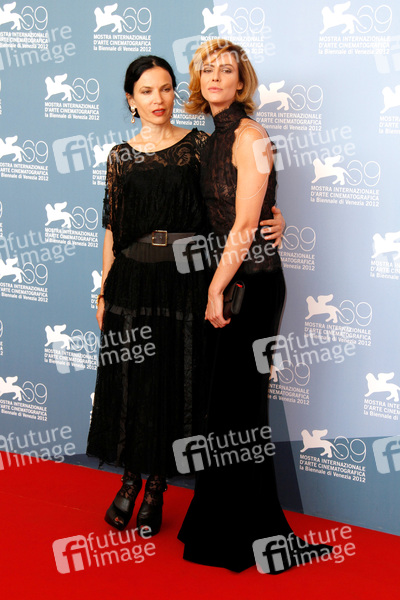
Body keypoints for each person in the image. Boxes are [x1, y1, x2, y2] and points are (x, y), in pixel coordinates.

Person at [86, 55, 286, 538]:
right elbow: (112, 229)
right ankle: (129, 480)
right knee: (130, 383)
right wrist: (104, 290)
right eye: (147, 91)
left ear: (175, 93)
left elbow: (231, 202)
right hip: (131, 281)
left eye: (166, 88)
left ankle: (156, 487)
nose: (158, 99)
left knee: (171, 383)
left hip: (183, 281)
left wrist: (275, 219)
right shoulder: (119, 156)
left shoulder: (199, 145)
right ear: (131, 100)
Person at [178, 39, 332, 573]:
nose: (216, 77)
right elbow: (236, 212)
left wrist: (216, 287)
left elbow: (245, 226)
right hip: (225, 278)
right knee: (220, 409)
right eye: (207, 70)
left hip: (252, 285)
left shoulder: (252, 136)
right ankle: (219, 523)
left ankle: (249, 533)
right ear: (199, 81)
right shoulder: (209, 140)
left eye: (227, 70)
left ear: (241, 82)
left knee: (240, 410)